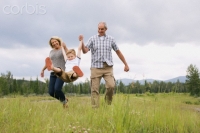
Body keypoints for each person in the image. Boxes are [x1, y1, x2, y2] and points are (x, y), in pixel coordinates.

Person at [79, 22, 129, 108]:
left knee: (111, 86)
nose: (100, 30)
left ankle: (107, 105)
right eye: (99, 29)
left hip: (108, 67)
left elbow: (118, 52)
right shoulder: (92, 39)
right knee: (94, 90)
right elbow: (84, 51)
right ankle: (95, 110)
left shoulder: (111, 39)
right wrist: (82, 42)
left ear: (106, 29)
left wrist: (125, 64)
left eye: (102, 29)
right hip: (95, 67)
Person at [41, 36, 69, 108]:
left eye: (55, 41)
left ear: (58, 41)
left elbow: (69, 55)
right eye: (52, 43)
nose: (54, 43)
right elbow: (49, 63)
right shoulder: (51, 52)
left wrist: (65, 47)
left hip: (61, 72)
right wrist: (43, 70)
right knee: (51, 92)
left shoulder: (62, 49)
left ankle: (65, 104)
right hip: (53, 73)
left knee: (57, 89)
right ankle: (64, 99)